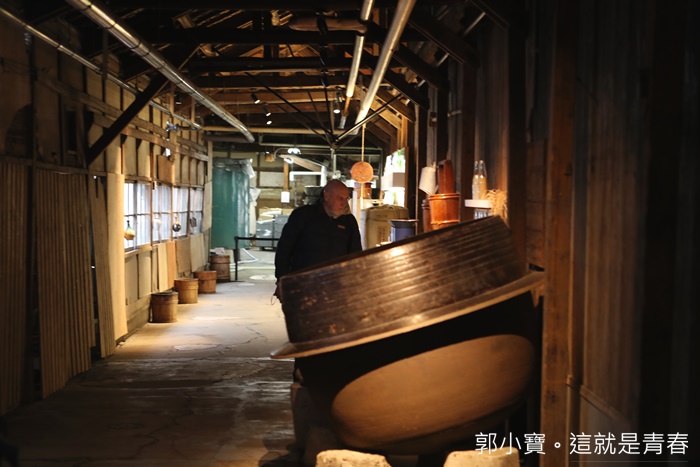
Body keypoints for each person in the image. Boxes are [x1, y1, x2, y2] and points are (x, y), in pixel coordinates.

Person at [274, 179, 362, 302]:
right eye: (340, 198)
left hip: (335, 288)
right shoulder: (303, 216)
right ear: (327, 196)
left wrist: (354, 283)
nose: (344, 203)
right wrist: (281, 280)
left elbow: (355, 255)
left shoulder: (349, 222)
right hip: (302, 286)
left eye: (346, 199)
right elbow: (284, 249)